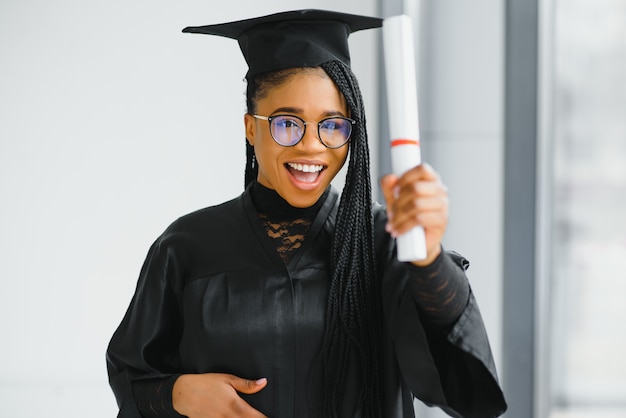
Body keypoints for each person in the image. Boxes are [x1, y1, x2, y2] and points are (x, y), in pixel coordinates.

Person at [107, 9, 507, 418]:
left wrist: (429, 257)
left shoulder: (384, 244)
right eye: (287, 123)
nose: (312, 147)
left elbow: (462, 391)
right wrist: (179, 394)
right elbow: (131, 380)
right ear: (250, 127)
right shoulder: (187, 248)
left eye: (333, 125)